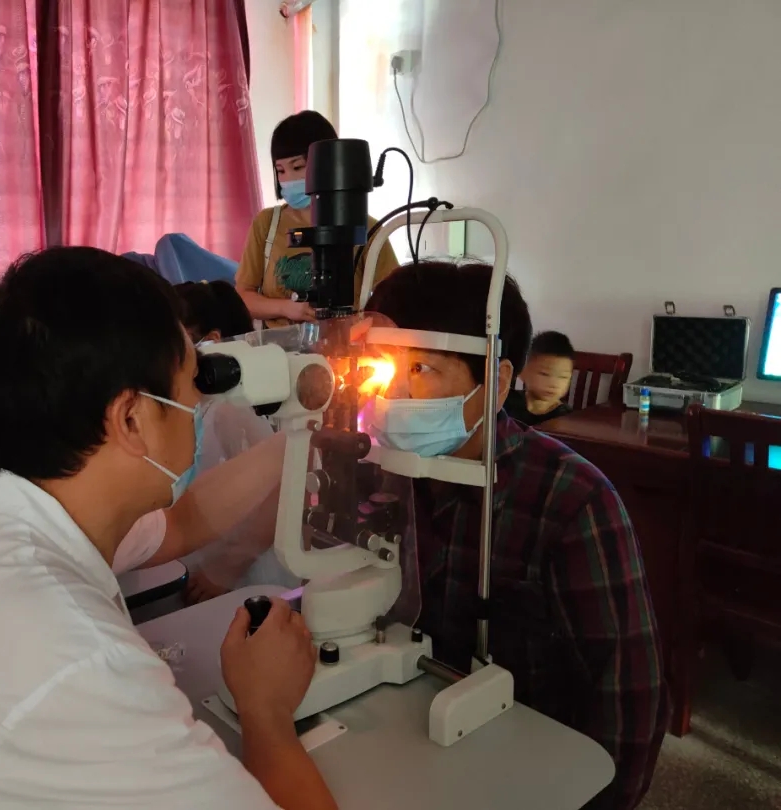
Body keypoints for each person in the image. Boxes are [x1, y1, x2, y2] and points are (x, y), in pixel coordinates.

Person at [0, 247, 337, 810]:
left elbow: (182, 524)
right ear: (132, 419)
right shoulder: (82, 664)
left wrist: (299, 435)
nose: (201, 396)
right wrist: (265, 710)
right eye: (194, 378)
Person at [365, 261, 668, 810]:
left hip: (526, 769)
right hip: (404, 741)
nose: (393, 393)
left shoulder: (572, 502)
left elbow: (629, 694)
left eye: (421, 368)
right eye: (381, 367)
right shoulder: (378, 473)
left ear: (498, 380)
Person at [174, 281, 302, 603]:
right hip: (210, 561)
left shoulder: (231, 409)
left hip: (246, 575)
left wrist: (225, 568)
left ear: (211, 343)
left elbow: (281, 491)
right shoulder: (197, 408)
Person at [235, 111, 399, 327]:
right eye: (280, 170)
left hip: (344, 342)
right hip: (278, 345)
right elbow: (243, 297)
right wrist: (287, 308)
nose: (288, 179)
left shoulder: (367, 228)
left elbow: (394, 297)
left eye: (298, 167)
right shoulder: (266, 224)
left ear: (328, 164)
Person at [505, 330, 575, 427]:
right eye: (545, 374)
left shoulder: (566, 416)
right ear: (522, 372)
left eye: (563, 377)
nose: (553, 384)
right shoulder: (508, 401)